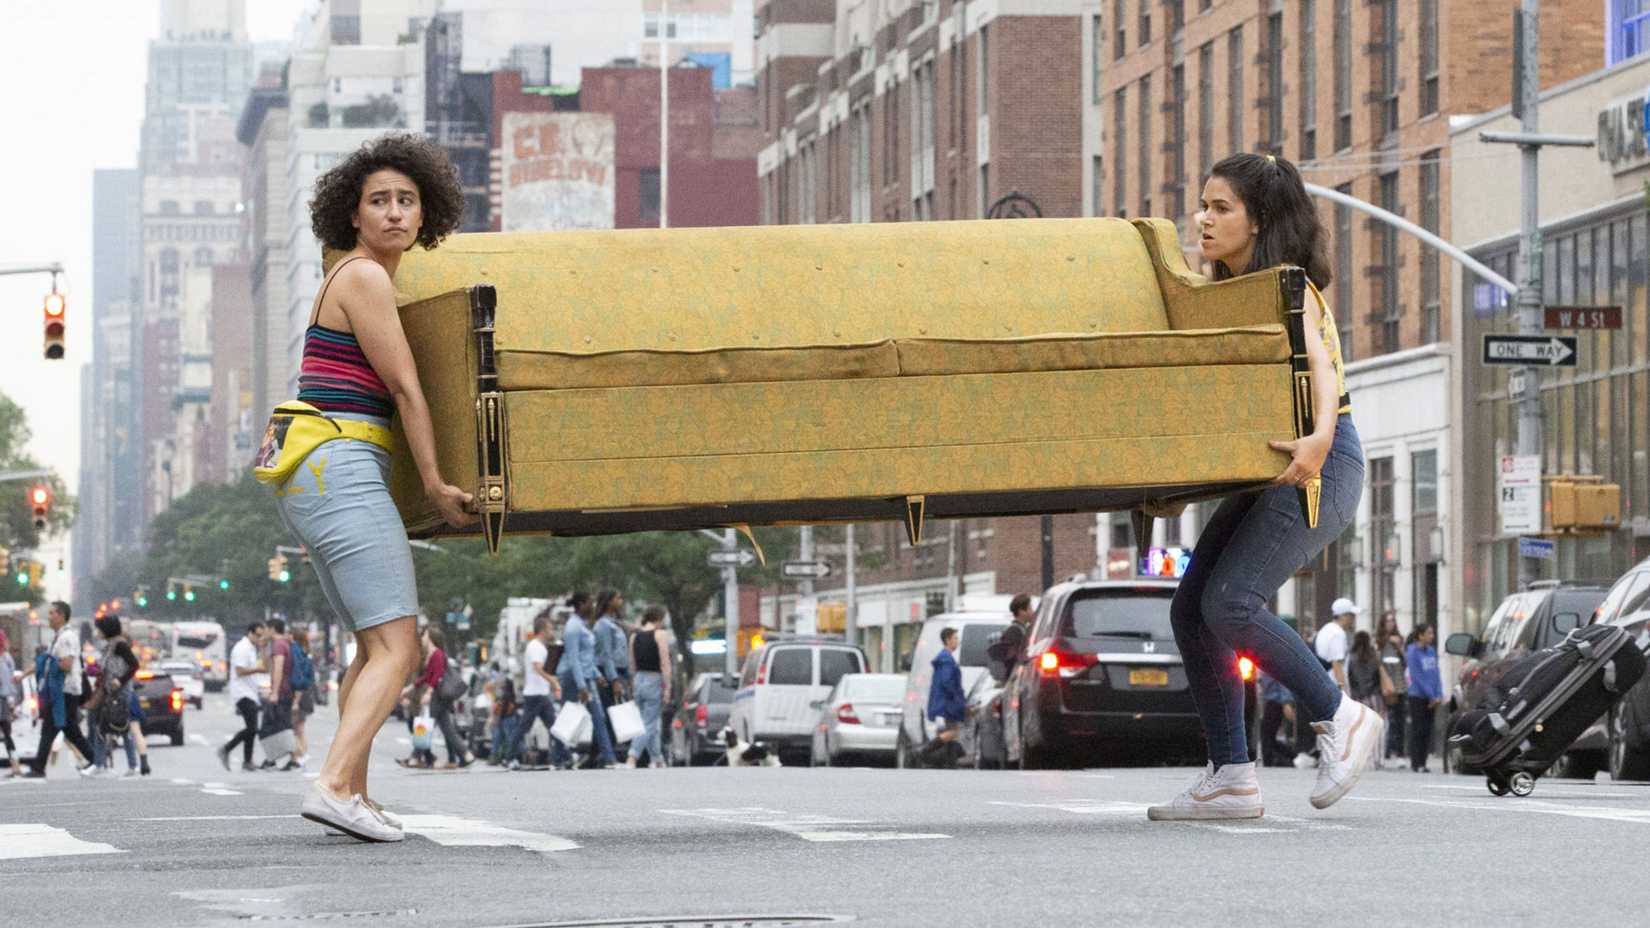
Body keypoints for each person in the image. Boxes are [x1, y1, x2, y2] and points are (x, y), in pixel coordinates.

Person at [1147, 153, 1380, 822]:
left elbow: (1323, 370)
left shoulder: (1289, 288)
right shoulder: (1220, 293)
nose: (1203, 219)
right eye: (1203, 204)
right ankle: (1231, 776)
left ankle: (1342, 716)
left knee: (1231, 604)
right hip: (1264, 467)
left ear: (1261, 221)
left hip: (1321, 461)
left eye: (1221, 208)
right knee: (1191, 609)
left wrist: (1319, 438)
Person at [279, 134, 472, 843]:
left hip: (321, 472)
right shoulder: (363, 277)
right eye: (378, 202)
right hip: (341, 465)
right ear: (352, 215)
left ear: (426, 215)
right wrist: (435, 484)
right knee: (401, 649)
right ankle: (332, 784)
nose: (394, 213)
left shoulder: (356, 275)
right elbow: (404, 388)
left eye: (406, 201)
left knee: (370, 646)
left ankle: (352, 792)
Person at [24, 601, 95, 778]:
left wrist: (50, 664)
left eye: (52, 613)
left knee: (53, 727)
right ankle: (94, 759)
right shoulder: (57, 637)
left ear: (61, 615)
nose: (49, 617)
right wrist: (24, 675)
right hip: (58, 691)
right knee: (66, 728)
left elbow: (66, 664)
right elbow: (49, 661)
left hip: (65, 690)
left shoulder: (67, 637)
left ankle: (39, 768)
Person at [83, 614, 150, 778]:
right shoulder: (109, 645)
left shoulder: (119, 645)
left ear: (106, 629)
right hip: (109, 692)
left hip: (121, 693)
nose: (97, 632)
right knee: (102, 727)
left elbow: (134, 665)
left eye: (99, 628)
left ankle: (130, 766)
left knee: (121, 727)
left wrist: (120, 681)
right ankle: (99, 764)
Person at [557, 591, 618, 768]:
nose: (592, 606)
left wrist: (597, 676)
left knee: (598, 717)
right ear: (581, 604)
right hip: (573, 678)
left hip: (586, 676)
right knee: (567, 717)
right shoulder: (572, 627)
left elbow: (586, 658)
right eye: (590, 603)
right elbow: (573, 658)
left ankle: (609, 758)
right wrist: (582, 685)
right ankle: (559, 756)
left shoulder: (582, 625)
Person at [506, 615, 565, 770]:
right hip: (535, 694)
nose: (552, 631)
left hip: (539, 692)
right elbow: (537, 668)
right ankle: (510, 757)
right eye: (550, 628)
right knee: (525, 727)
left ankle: (562, 757)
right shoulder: (536, 647)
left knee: (552, 726)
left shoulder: (539, 646)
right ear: (543, 630)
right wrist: (553, 681)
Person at [218, 622, 269, 773]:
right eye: (258, 635)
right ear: (250, 633)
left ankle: (247, 761)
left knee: (251, 728)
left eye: (262, 636)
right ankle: (226, 749)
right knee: (252, 728)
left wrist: (263, 648)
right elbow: (239, 671)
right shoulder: (242, 648)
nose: (260, 638)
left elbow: (264, 665)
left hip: (251, 692)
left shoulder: (252, 648)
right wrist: (258, 669)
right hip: (242, 692)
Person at [627, 606, 672, 769]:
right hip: (654, 679)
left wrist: (632, 685)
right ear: (659, 618)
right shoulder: (660, 635)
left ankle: (657, 758)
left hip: (638, 679)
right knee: (649, 722)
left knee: (649, 721)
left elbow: (631, 663)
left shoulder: (634, 636)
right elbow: (665, 662)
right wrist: (667, 687)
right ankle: (632, 756)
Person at [919, 627, 968, 768]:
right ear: (947, 640)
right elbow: (947, 681)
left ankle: (951, 763)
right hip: (948, 702)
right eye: (955, 638)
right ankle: (925, 751)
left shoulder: (945, 658)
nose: (957, 641)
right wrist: (957, 697)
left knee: (952, 731)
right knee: (951, 732)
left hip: (946, 701)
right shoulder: (947, 659)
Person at [1405, 624, 1443, 773]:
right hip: (1418, 696)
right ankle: (1416, 762)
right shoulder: (1413, 652)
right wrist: (1431, 695)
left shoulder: (1432, 651)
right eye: (1428, 633)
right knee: (1418, 729)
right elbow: (1417, 676)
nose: (1431, 636)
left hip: (1433, 697)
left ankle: (1424, 762)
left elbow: (1436, 673)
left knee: (1428, 730)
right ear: (1420, 635)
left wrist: (1439, 693)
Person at [1376, 613, 1408, 763]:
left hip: (1400, 684)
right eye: (1388, 621)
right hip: (1384, 684)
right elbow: (1376, 661)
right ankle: (1384, 751)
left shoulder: (1399, 640)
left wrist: (1399, 647)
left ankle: (1400, 753)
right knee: (1385, 719)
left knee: (1400, 720)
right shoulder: (1379, 641)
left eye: (1393, 621)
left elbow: (1405, 662)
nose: (1391, 624)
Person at [1315, 599, 1359, 692]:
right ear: (1344, 616)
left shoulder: (1327, 629)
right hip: (1334, 686)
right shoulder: (1338, 634)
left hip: (1324, 683)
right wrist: (1344, 692)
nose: (1353, 618)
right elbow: (1337, 664)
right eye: (1351, 615)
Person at [987, 593, 1035, 678]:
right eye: (1030, 608)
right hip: (1013, 678)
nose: (1032, 612)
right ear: (1021, 611)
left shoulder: (1022, 629)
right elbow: (1012, 657)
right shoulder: (1014, 631)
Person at [1257, 670, 1297, 768]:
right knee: (1268, 736)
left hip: (1276, 701)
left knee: (1267, 735)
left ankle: (1270, 762)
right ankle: (1292, 756)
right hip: (1271, 700)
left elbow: (1281, 679)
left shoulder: (1270, 660)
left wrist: (1286, 702)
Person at [289, 624, 316, 769]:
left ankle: (301, 755)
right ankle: (300, 756)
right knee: (300, 729)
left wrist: (295, 701)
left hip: (298, 694)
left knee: (291, 728)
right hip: (307, 694)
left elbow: (298, 678)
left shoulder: (296, 652)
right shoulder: (306, 652)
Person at [1, 626, 21, 777]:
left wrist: (11, 702)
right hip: (5, 699)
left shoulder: (6, 658)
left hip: (3, 699)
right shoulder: (7, 658)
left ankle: (15, 765)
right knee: (7, 734)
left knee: (7, 734)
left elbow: (9, 682)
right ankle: (15, 765)